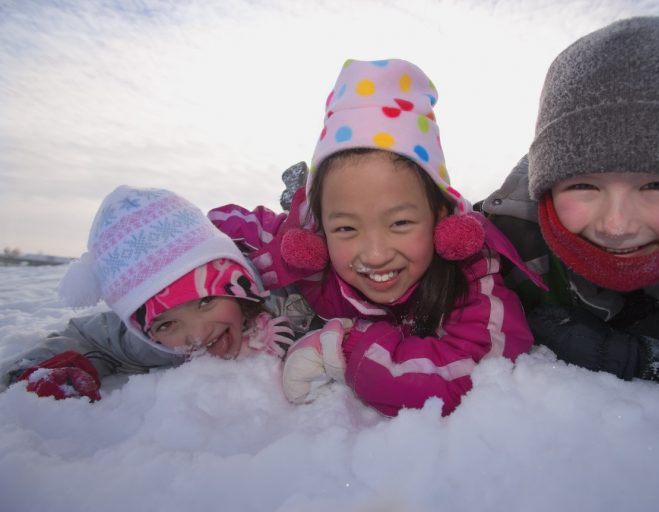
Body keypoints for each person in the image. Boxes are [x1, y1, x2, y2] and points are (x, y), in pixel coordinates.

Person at [210, 58, 543, 416]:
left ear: (441, 217)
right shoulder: (310, 250)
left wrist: (344, 349)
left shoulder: (471, 272)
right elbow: (211, 232)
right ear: (319, 228)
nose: (375, 253)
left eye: (399, 223)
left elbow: (478, 372)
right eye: (346, 229)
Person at [481, 16, 659, 386]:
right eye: (584, 186)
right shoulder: (508, 239)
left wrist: (632, 358)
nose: (617, 225)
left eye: (658, 184)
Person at [1, 185, 307, 401]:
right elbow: (91, 337)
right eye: (166, 324)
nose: (198, 334)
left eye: (205, 301)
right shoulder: (153, 345)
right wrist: (33, 373)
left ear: (236, 280)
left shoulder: (291, 286)